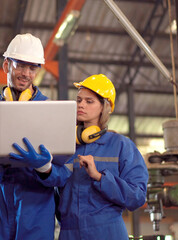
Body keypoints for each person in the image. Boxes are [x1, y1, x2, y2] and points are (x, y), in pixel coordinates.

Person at [0, 33, 70, 240]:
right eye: (20, 66)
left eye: (32, 68)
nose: (26, 74)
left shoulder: (53, 111)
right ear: (7, 65)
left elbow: (65, 172)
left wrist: (44, 168)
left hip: (36, 209)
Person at [20, 74, 148, 239]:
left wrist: (100, 178)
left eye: (89, 101)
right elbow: (55, 180)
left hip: (108, 231)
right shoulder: (64, 143)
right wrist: (43, 168)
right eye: (79, 100)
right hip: (68, 231)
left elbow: (137, 197)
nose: (81, 105)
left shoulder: (121, 145)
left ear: (104, 107)